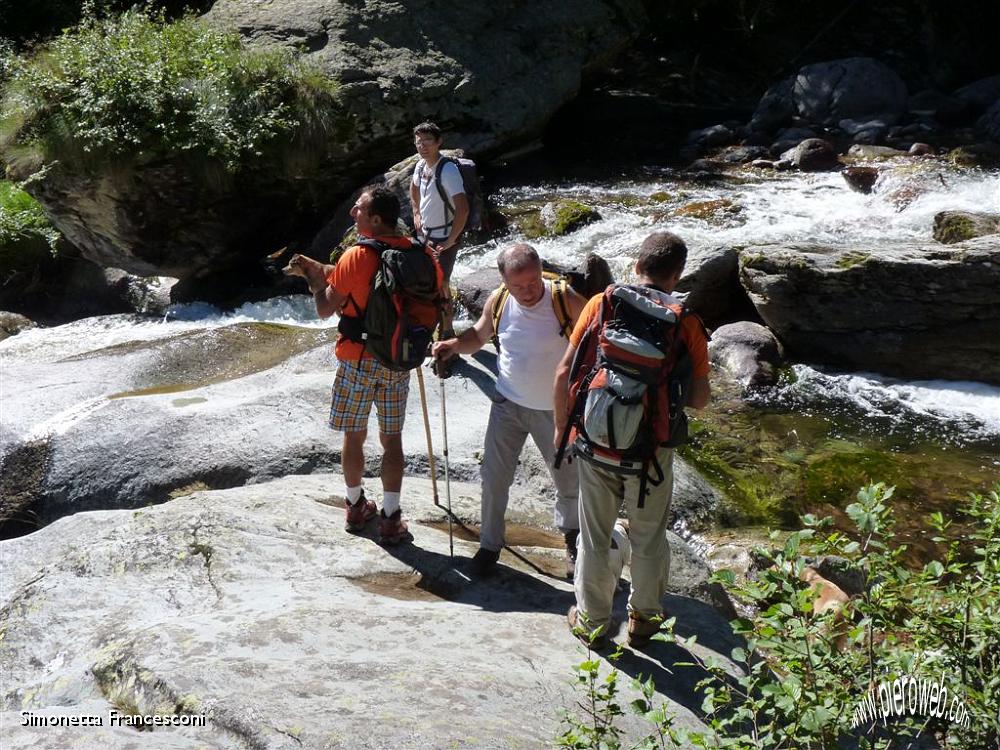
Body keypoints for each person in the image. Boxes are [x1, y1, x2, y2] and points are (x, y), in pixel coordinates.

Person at [554, 230, 711, 648]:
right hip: (651, 451)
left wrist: (563, 431)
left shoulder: (602, 303)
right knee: (648, 536)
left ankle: (591, 622)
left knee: (594, 535)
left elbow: (565, 372)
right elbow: (700, 399)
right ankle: (644, 620)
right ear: (677, 275)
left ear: (637, 266)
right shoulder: (686, 321)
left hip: (596, 442)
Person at [432, 244, 587, 577]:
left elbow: (597, 337)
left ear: (541, 270)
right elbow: (479, 336)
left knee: (568, 481)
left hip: (555, 410)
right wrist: (454, 345)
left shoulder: (565, 298)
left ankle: (574, 543)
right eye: (520, 286)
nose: (529, 291)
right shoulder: (500, 300)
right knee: (493, 477)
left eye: (533, 282)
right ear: (504, 281)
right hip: (507, 404)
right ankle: (489, 547)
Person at [285, 186, 416, 545]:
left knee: (354, 436)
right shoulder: (418, 253)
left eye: (358, 210)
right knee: (392, 441)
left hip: (358, 360)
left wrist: (317, 282)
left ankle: (356, 507)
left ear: (375, 219)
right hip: (397, 361)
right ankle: (391, 518)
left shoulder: (355, 256)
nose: (352, 214)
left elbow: (326, 309)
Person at [410, 121, 469, 338]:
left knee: (442, 286)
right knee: (426, 285)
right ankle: (429, 328)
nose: (422, 146)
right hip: (425, 237)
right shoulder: (420, 166)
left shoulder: (448, 170)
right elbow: (414, 188)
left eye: (427, 141)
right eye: (419, 141)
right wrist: (416, 213)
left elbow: (463, 208)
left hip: (444, 237)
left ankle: (447, 332)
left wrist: (451, 239)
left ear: (438, 143)